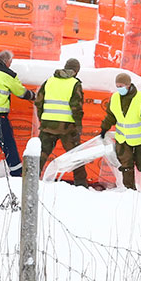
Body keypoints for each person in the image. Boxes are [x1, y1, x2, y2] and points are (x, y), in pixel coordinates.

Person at [100, 71, 141, 190]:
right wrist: (104, 128)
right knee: (126, 165)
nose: (119, 89)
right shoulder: (115, 98)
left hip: (140, 139)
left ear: (128, 85)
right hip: (122, 139)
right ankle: (130, 190)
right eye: (117, 86)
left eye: (121, 86)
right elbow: (111, 116)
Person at [36, 57, 86, 186]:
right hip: (67, 127)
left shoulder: (49, 81)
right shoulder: (75, 83)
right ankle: (81, 184)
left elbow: (39, 102)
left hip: (47, 124)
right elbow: (76, 107)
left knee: (40, 154)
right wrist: (78, 125)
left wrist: (43, 119)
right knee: (75, 156)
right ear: (76, 71)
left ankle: (30, 179)